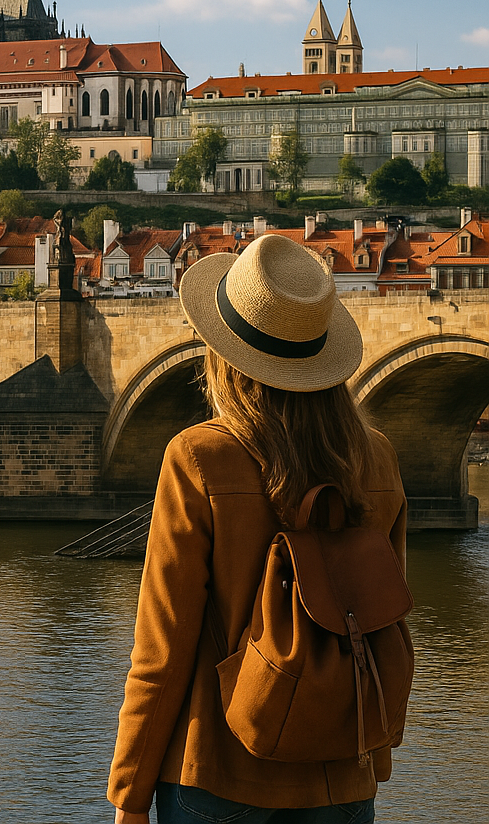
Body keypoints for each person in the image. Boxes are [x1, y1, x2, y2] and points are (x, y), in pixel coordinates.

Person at [108, 233, 407, 824]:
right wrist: (372, 759)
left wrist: (130, 793)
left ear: (222, 353)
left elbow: (162, 653)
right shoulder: (375, 460)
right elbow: (381, 619)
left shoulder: (198, 457)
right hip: (339, 780)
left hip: (217, 775)